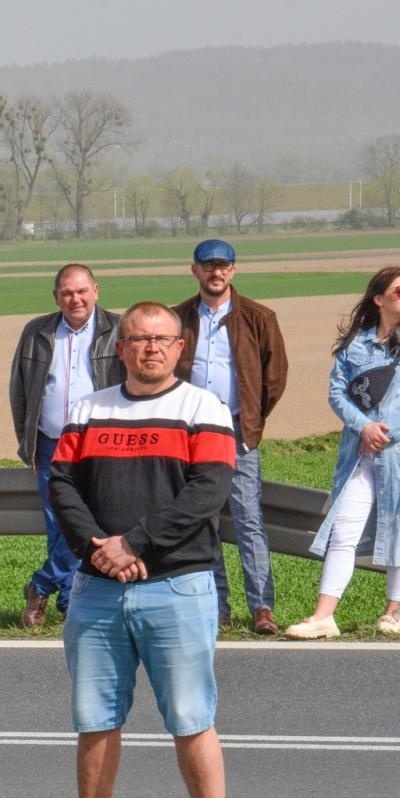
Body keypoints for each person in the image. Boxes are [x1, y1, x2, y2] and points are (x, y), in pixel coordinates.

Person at [42, 302, 243, 798]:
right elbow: (61, 486)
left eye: (161, 339)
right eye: (138, 339)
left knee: (191, 719)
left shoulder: (203, 409)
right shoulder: (89, 410)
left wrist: (134, 543)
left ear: (180, 348)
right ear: (121, 348)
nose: (150, 348)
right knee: (96, 720)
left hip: (176, 587)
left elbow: (207, 494)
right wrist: (98, 549)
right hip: (97, 589)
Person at [284, 268, 400, 640]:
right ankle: (324, 617)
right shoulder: (355, 344)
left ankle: (392, 613)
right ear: (379, 298)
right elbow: (337, 393)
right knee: (344, 530)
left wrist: (383, 432)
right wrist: (363, 428)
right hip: (359, 453)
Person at [172, 239, 288, 635]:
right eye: (208, 266)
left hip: (238, 431)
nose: (216, 272)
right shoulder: (178, 318)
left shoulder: (259, 317)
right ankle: (217, 606)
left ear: (233, 270)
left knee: (247, 519)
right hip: (190, 431)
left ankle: (262, 607)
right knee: (202, 518)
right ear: (195, 270)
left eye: (223, 266)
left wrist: (252, 418)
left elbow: (274, 377)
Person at [8, 265, 124, 629]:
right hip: (50, 444)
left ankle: (42, 585)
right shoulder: (37, 332)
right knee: (58, 522)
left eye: (82, 291)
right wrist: (27, 443)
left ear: (96, 291)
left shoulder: (118, 329)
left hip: (100, 443)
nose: (76, 299)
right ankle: (69, 601)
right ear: (56, 297)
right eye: (67, 293)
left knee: (85, 521)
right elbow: (19, 390)